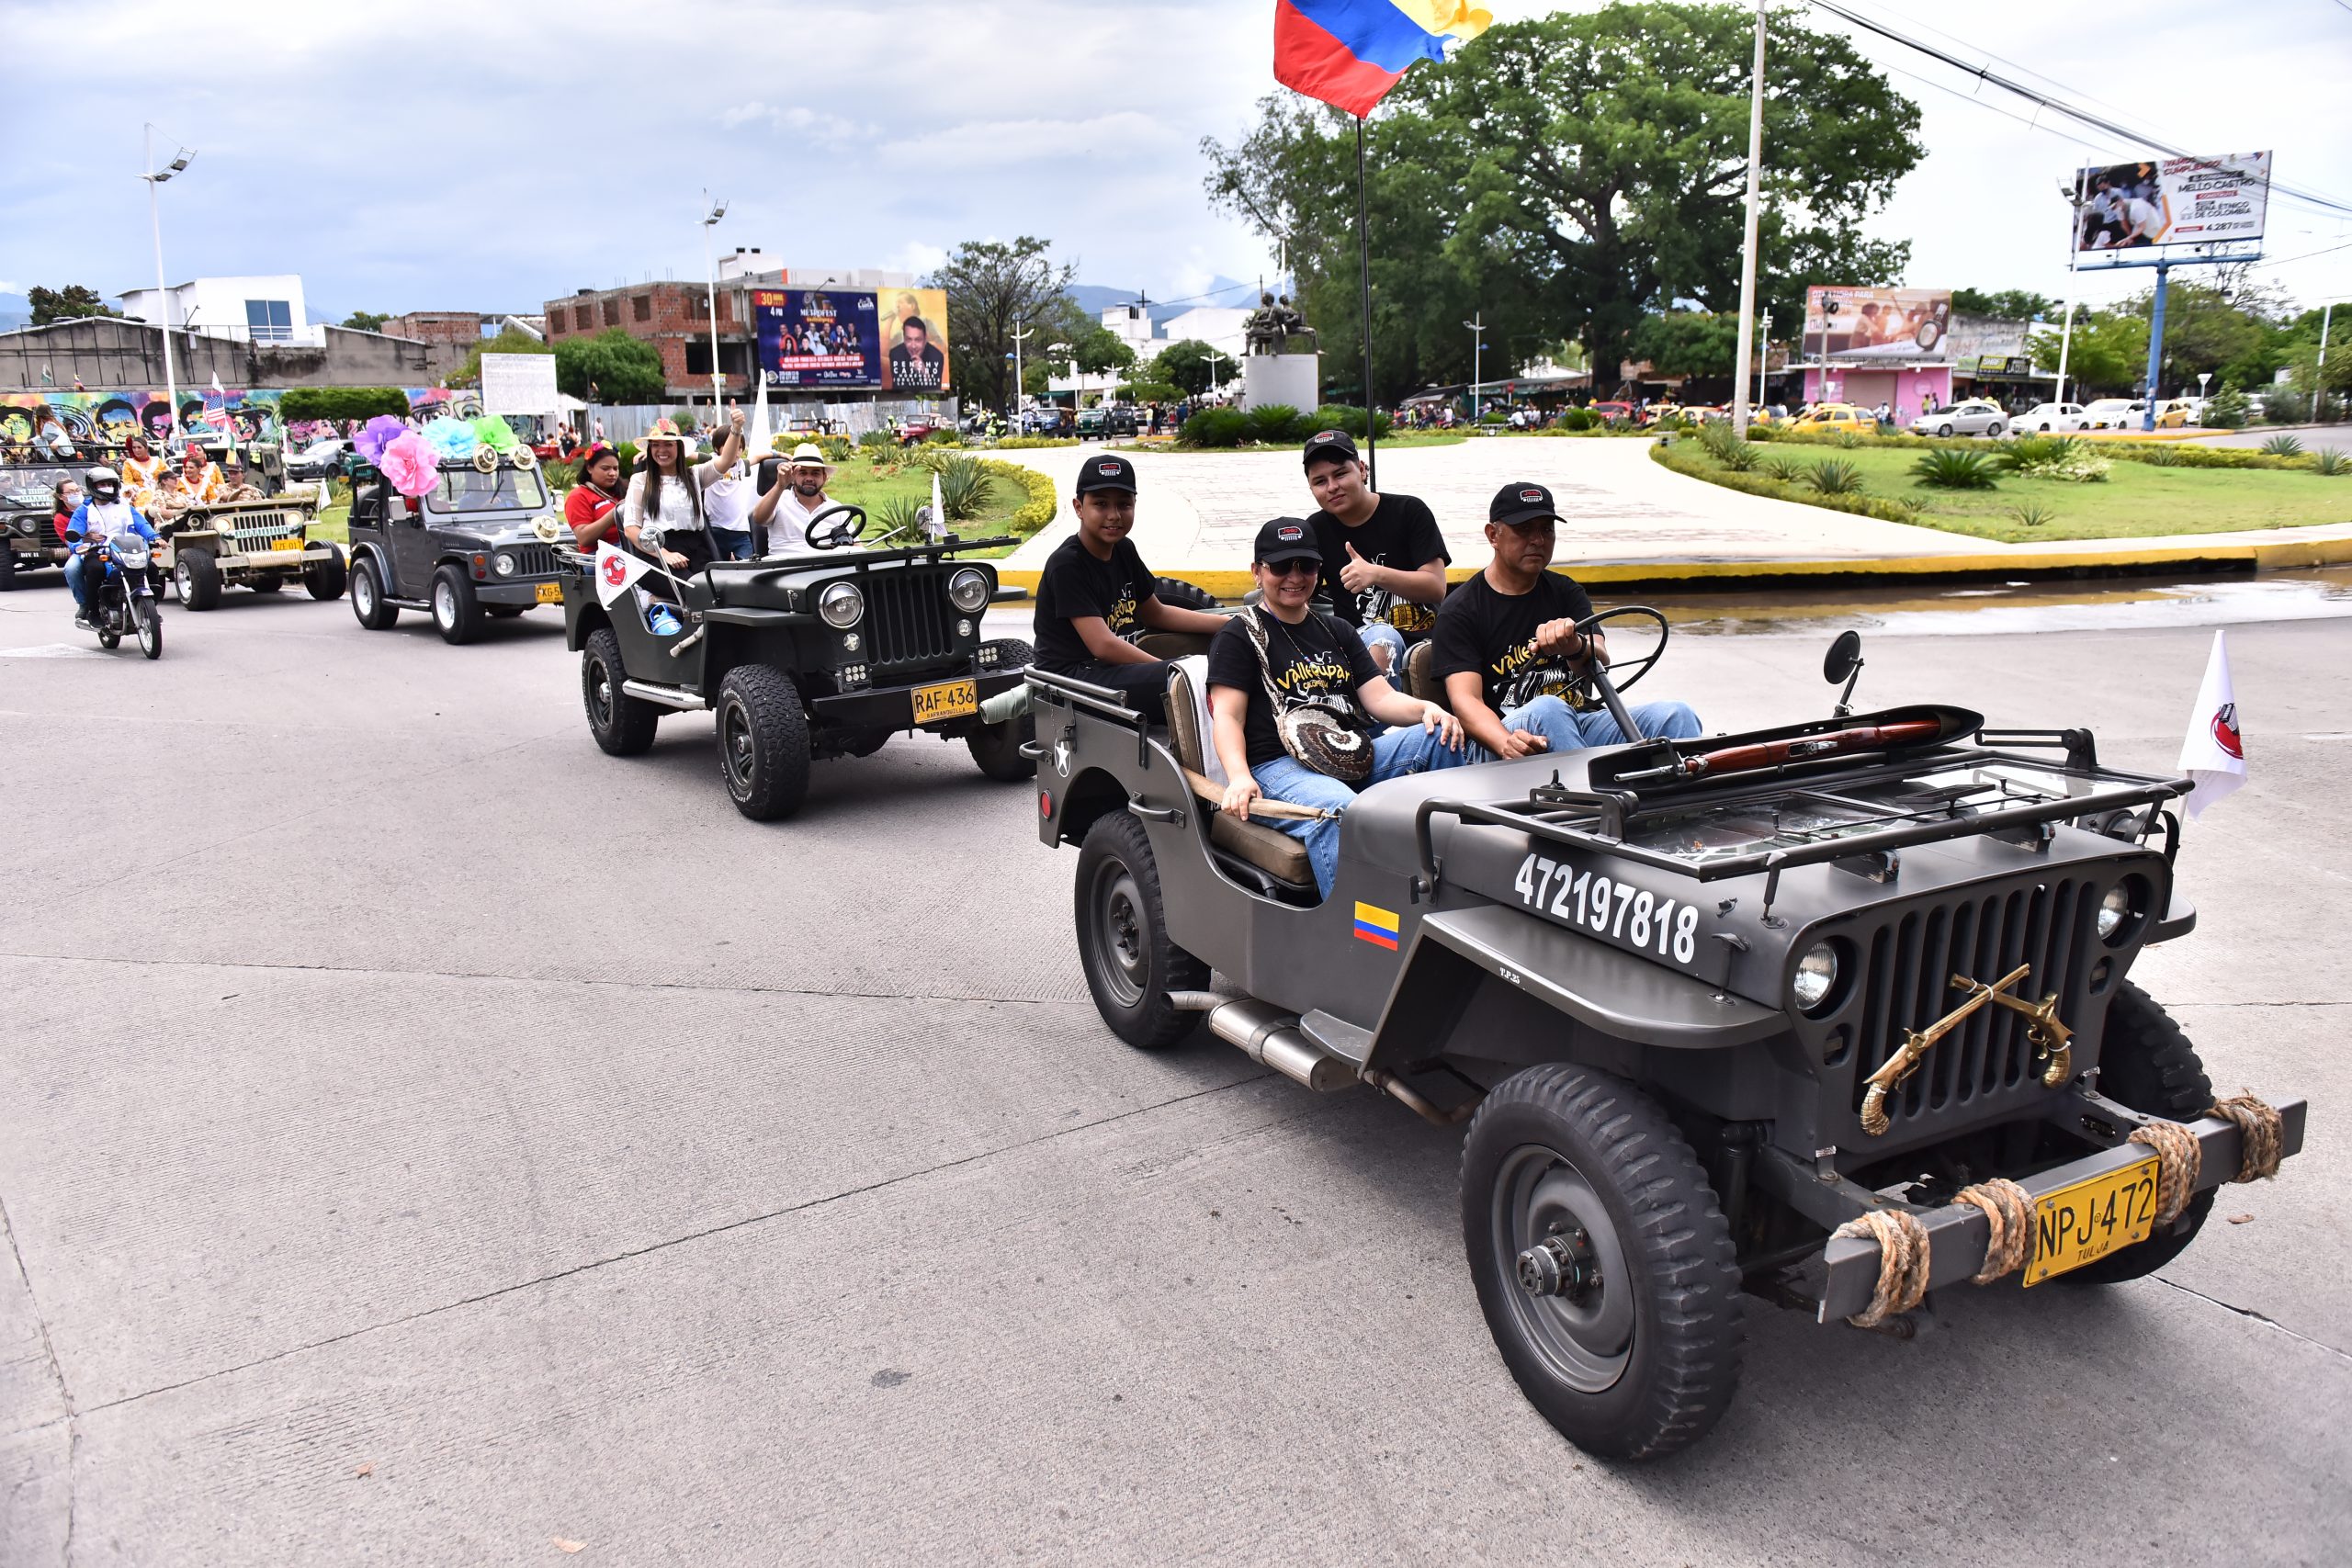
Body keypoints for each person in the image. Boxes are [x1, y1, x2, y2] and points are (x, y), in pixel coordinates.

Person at [1208, 519, 1467, 898]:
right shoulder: (1239, 634)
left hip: (1349, 753)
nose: (1294, 577)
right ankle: (1363, 935)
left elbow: (1380, 699)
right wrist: (1239, 776)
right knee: (1340, 808)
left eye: (1306, 566)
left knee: (1444, 738)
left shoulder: (1336, 630)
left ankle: (1456, 890)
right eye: (1281, 566)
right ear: (1257, 571)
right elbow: (1228, 715)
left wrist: (1429, 709)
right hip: (1277, 767)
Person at [1432, 481, 1702, 760]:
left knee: (1675, 714)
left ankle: (1689, 802)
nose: (1537, 540)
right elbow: (1466, 701)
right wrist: (1505, 742)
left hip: (1579, 721)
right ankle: (1594, 799)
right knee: (1548, 709)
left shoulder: (1565, 591)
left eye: (1546, 529)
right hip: (1506, 737)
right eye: (1524, 530)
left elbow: (1599, 658)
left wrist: (1574, 646)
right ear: (1493, 535)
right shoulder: (1461, 609)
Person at [1031, 454, 1225, 720]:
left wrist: (1229, 625)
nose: (1114, 515)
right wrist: (1175, 671)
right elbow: (1103, 645)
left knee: (1222, 658)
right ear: (1078, 507)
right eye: (1101, 504)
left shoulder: (1123, 549)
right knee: (1195, 678)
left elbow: (1157, 613)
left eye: (1124, 504)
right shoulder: (1067, 564)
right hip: (1073, 681)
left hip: (1108, 671)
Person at [1299, 429, 1449, 675]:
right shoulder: (1316, 529)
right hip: (1355, 643)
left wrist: (1376, 574)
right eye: (1320, 481)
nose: (1332, 487)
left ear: (1362, 469)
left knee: (1384, 636)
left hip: (1423, 645)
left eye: (1340, 474)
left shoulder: (1409, 511)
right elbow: (1302, 593)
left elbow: (1436, 587)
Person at [624, 416, 741, 579]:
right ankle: (652, 598)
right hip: (655, 551)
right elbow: (631, 529)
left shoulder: (694, 475)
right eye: (655, 445)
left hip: (696, 548)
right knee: (696, 591)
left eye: (668, 444)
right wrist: (665, 554)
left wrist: (736, 429)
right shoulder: (640, 480)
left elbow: (726, 461)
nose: (661, 450)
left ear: (679, 448)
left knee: (720, 588)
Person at [62, 467, 159, 631]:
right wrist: (79, 545)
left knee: (151, 568)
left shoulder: (125, 507)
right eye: (102, 484)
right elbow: (73, 533)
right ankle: (93, 611)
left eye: (110, 484)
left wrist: (155, 537)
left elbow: (142, 524)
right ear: (93, 486)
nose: (107, 487)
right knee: (94, 570)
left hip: (126, 550)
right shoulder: (84, 510)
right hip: (98, 551)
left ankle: (150, 610)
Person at [751, 443, 839, 558]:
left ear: (824, 478)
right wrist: (779, 486)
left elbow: (856, 547)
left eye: (815, 473)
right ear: (793, 475)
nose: (809, 478)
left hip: (826, 571)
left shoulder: (836, 509)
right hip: (785, 570)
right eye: (802, 473)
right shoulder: (778, 501)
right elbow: (758, 518)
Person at [700, 406, 757, 560]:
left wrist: (779, 454)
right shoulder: (710, 461)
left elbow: (758, 457)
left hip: (740, 530)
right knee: (718, 568)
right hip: (715, 528)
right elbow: (685, 454)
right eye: (731, 447)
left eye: (739, 447)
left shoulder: (740, 465)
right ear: (717, 448)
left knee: (749, 566)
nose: (735, 451)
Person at [565, 443, 630, 554]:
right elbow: (584, 538)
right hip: (598, 556)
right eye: (605, 469)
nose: (612, 473)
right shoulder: (578, 496)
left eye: (615, 468)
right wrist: (616, 512)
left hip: (628, 547)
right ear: (589, 468)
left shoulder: (624, 489)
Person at [889, 317, 945, 389]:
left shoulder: (937, 357)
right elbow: (899, 388)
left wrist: (925, 374)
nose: (913, 346)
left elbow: (936, 390)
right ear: (904, 338)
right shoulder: (895, 354)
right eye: (909, 339)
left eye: (918, 340)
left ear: (925, 339)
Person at [118, 433, 165, 511]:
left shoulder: (157, 461)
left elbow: (167, 476)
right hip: (138, 493)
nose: (136, 450)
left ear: (146, 448)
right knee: (145, 499)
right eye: (134, 448)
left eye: (139, 447)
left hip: (160, 491)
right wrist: (132, 491)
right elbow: (128, 481)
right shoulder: (128, 463)